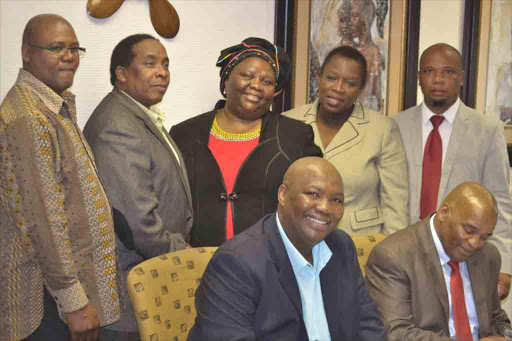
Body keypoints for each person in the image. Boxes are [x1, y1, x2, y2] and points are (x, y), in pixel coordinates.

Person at [0, 14, 119, 341]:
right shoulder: (29, 118)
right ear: (27, 53)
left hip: (58, 299)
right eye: (56, 48)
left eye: (73, 48)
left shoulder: (52, 106)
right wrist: (74, 302)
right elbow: (44, 221)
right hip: (43, 303)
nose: (69, 56)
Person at [187, 157, 387, 341]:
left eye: (336, 200)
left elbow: (368, 326)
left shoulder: (341, 246)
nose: (325, 208)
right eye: (313, 194)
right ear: (282, 194)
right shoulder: (237, 262)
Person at [83, 34, 193, 339]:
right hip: (131, 292)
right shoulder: (118, 125)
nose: (162, 72)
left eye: (165, 64)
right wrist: (178, 250)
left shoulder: (137, 116)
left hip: (149, 282)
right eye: (150, 63)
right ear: (122, 74)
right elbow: (135, 221)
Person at [170, 37, 322, 247]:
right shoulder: (184, 134)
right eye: (247, 76)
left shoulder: (295, 136)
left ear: (275, 91)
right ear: (226, 80)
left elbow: (317, 198)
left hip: (271, 262)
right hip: (197, 260)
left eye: (267, 81)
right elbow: (167, 199)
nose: (256, 86)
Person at [393, 43, 512, 299]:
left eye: (448, 72)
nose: (437, 79)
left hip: (466, 257)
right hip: (406, 256)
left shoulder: (487, 130)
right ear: (418, 78)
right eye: (428, 71)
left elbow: (499, 202)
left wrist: (504, 267)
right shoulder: (395, 126)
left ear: (461, 78)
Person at [284, 45, 408, 235]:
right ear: (319, 77)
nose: (338, 88)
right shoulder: (289, 121)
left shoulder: (382, 129)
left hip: (358, 241)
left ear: (362, 88)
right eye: (331, 78)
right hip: (298, 236)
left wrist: (393, 253)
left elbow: (395, 203)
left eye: (350, 83)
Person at [366, 182, 511, 340]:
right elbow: (396, 334)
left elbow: (496, 319)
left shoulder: (487, 256)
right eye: (469, 231)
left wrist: (506, 336)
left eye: (484, 237)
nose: (475, 243)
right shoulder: (393, 257)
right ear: (444, 213)